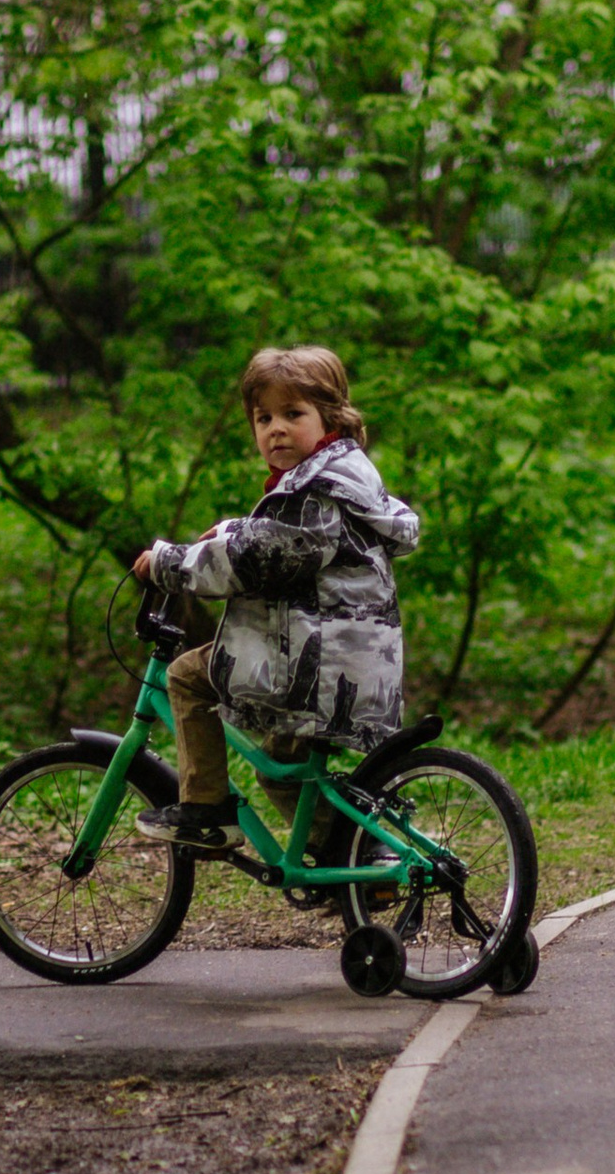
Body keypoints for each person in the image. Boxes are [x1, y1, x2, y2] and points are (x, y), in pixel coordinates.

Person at [128, 345, 420, 853]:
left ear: (330, 419)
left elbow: (250, 563)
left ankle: (206, 811)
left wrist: (167, 563)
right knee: (283, 773)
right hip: (349, 662)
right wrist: (232, 528)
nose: (275, 429)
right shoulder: (341, 482)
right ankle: (357, 869)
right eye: (263, 418)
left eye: (292, 414)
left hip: (317, 667)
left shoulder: (316, 494)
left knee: (187, 676)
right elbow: (281, 540)